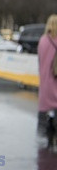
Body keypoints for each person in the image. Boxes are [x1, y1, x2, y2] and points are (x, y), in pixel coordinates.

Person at [37, 14, 57, 146]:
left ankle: (48, 135)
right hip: (55, 81)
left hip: (45, 82)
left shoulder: (43, 40)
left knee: (47, 109)